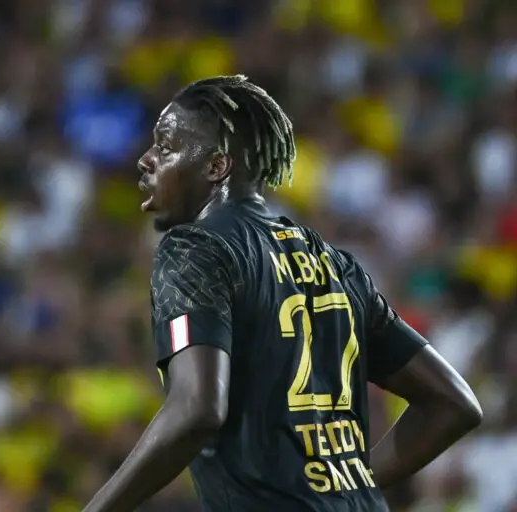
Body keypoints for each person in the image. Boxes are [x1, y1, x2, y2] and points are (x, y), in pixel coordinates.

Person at [82, 75, 483, 512]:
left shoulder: (193, 249)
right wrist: (351, 488)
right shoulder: (335, 263)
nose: (145, 159)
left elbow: (197, 408)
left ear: (216, 166)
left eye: (165, 146)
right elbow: (452, 403)